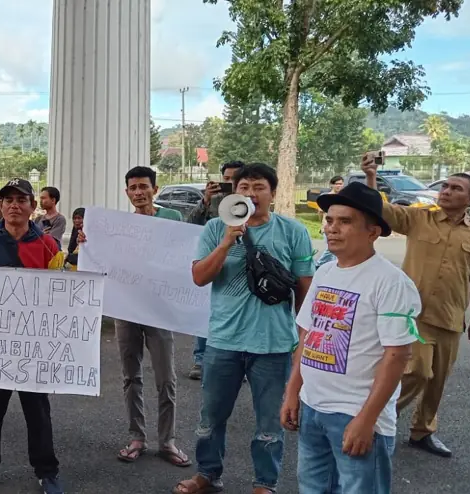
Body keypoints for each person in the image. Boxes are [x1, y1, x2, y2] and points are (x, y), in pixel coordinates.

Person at [174, 163, 314, 494]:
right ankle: (207, 474)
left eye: (259, 187)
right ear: (234, 192)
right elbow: (199, 278)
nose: (251, 194)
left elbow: (305, 290)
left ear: (274, 193)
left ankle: (265, 483)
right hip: (223, 341)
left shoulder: (293, 231)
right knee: (210, 419)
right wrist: (225, 243)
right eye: (244, 187)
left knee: (269, 424)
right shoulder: (213, 229)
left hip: (274, 343)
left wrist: (300, 339)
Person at [281, 182, 421, 494]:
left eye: (345, 222)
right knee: (312, 488)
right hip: (313, 407)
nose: (332, 228)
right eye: (329, 220)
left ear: (373, 232)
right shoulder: (326, 272)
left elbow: (397, 356)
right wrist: (293, 391)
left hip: (356, 413)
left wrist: (366, 419)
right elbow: (308, 333)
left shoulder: (391, 283)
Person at [362, 154, 470, 458]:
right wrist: (372, 176)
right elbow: (382, 209)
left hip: (451, 317)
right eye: (446, 186)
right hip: (415, 314)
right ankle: (375, 418)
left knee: (437, 381)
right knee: (418, 372)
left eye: (456, 188)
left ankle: (423, 432)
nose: (446, 191)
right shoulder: (419, 218)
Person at [0, 179, 66, 494]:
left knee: (38, 413)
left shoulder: (49, 245)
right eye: (7, 200)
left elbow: (60, 293)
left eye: (22, 199)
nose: (14, 205)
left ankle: (47, 471)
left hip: (33, 347)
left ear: (33, 207)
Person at [103, 166, 190, 467]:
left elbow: (182, 256)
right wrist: (88, 241)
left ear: (154, 188)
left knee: (166, 378)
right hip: (126, 308)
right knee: (131, 376)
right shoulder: (117, 225)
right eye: (133, 187)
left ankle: (168, 440)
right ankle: (137, 436)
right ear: (126, 192)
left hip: (159, 309)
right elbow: (103, 256)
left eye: (144, 186)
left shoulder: (172, 219)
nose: (139, 192)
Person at [187, 160, 245, 380]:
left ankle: (239, 360)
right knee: (203, 313)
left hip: (236, 263)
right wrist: (205, 200)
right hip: (208, 259)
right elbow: (191, 223)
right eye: (226, 178)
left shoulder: (246, 203)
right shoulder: (213, 201)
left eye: (234, 179)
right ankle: (200, 359)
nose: (229, 182)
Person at [314, 175, 345, 269]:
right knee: (331, 248)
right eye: (337, 184)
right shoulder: (325, 197)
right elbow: (320, 212)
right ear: (332, 185)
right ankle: (318, 264)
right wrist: (322, 226)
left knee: (337, 248)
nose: (339, 186)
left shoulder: (344, 197)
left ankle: (334, 267)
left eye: (341, 184)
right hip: (327, 227)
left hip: (340, 228)